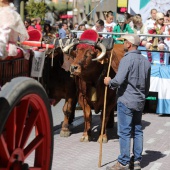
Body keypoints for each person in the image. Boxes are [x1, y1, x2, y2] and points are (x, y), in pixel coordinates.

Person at [104, 34, 151, 170]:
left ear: (129, 44)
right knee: (137, 130)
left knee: (124, 132)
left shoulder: (126, 60)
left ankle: (123, 162)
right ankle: (136, 161)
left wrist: (109, 82)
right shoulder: (146, 61)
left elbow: (118, 81)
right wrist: (142, 96)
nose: (123, 43)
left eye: (125, 41)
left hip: (126, 100)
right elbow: (147, 86)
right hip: (139, 100)